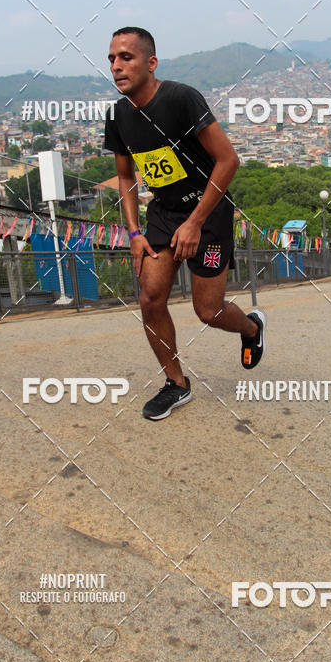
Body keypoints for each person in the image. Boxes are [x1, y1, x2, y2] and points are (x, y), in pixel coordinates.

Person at [103, 27, 266, 421]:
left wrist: (195, 222)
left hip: (206, 212)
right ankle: (176, 383)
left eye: (126, 57)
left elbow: (228, 161)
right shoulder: (118, 114)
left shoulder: (181, 99)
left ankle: (250, 329)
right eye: (111, 59)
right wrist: (134, 232)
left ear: (151, 62)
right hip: (162, 213)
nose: (116, 66)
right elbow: (126, 178)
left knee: (207, 312)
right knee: (150, 297)